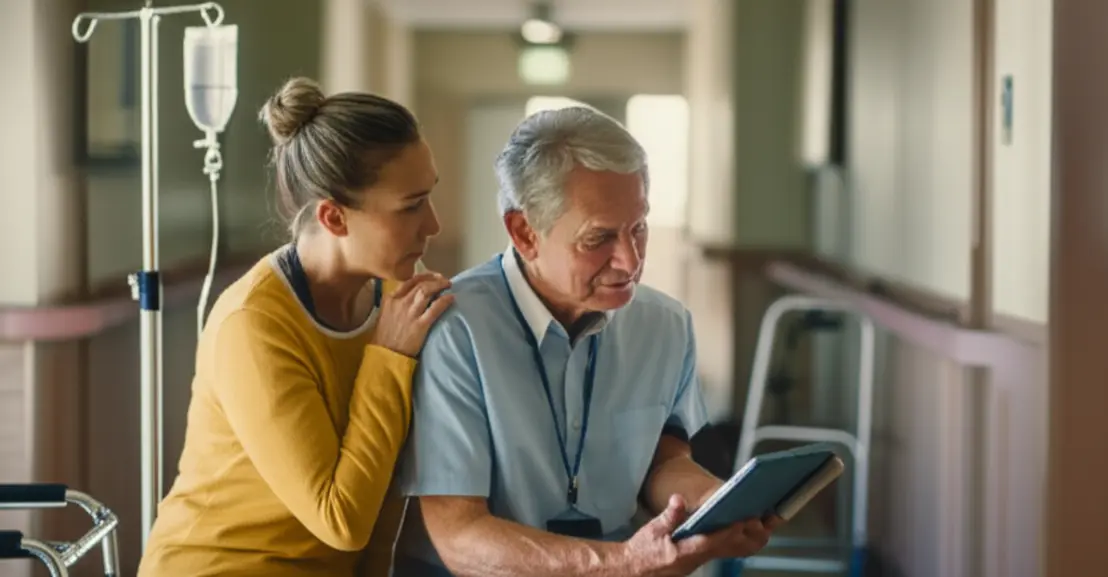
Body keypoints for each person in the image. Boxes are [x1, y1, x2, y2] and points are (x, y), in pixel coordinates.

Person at [392, 106, 781, 577]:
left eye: (638, 228)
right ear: (524, 232)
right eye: (599, 238)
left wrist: (717, 505)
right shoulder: (453, 328)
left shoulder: (667, 325)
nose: (630, 260)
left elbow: (663, 463)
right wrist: (622, 564)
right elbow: (459, 535)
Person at [137, 77, 452, 577]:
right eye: (411, 205)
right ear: (333, 217)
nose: (433, 224)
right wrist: (388, 359)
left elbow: (389, 486)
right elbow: (341, 519)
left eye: (429, 197)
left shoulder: (394, 301)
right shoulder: (254, 324)